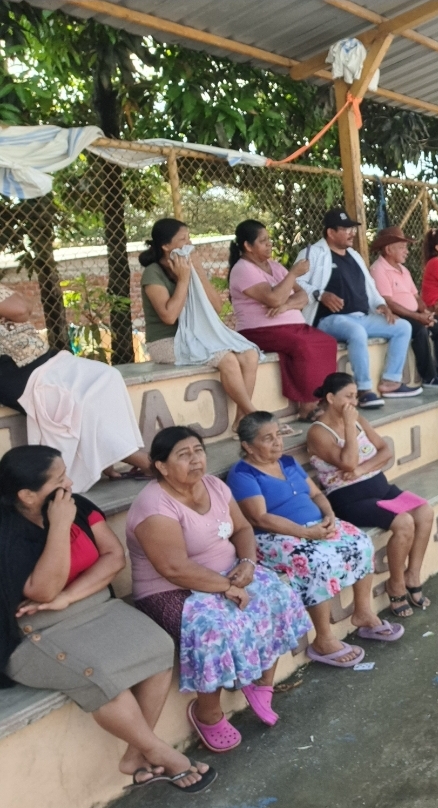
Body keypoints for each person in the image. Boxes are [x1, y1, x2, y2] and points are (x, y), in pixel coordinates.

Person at [0, 446, 216, 793]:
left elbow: (114, 557)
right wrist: (59, 526)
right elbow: (43, 591)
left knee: (160, 646)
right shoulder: (9, 531)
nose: (69, 484)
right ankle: (159, 751)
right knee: (102, 675)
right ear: (27, 495)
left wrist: (69, 596)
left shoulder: (77, 505)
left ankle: (134, 754)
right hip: (32, 631)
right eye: (59, 479)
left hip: (94, 605)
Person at [126, 427, 311, 753]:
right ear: (161, 466)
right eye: (183, 455)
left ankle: (261, 682)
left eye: (198, 450)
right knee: (215, 628)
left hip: (228, 573)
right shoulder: (154, 506)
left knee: (277, 596)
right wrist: (226, 587)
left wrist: (248, 563)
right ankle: (207, 713)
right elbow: (173, 568)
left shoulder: (214, 485)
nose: (195, 459)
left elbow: (242, 528)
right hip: (171, 590)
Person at [227, 412, 400, 664]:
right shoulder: (243, 474)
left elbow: (317, 494)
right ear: (248, 446)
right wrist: (306, 533)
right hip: (274, 537)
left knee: (360, 542)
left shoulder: (287, 462)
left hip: (315, 526)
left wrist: (329, 516)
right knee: (315, 562)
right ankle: (323, 639)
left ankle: (363, 612)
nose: (277, 442)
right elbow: (259, 518)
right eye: (267, 438)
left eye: (278, 435)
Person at [306, 373, 434, 619]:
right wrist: (349, 428)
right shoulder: (318, 432)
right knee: (404, 522)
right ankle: (396, 585)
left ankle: (412, 575)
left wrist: (362, 470)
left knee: (424, 511)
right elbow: (348, 462)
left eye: (355, 396)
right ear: (331, 398)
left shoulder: (358, 419)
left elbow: (385, 451)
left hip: (379, 487)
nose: (353, 402)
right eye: (348, 396)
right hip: (349, 498)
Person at [0, 285, 151, 491]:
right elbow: (19, 309)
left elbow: (25, 306)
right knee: (73, 400)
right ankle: (139, 459)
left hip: (44, 358)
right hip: (13, 371)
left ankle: (107, 456)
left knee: (107, 376)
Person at [140, 218, 261, 434]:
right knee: (227, 359)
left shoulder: (189, 266)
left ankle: (242, 420)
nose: (189, 244)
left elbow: (216, 307)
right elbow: (169, 316)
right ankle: (256, 419)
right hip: (166, 342)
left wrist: (197, 270)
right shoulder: (153, 272)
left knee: (249, 354)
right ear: (166, 246)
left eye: (189, 238)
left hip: (197, 337)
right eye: (183, 239)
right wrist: (183, 279)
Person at [295, 208, 421, 409]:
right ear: (331, 232)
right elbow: (295, 282)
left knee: (403, 326)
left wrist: (381, 304)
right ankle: (363, 390)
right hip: (328, 319)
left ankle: (391, 381)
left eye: (352, 229)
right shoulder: (313, 253)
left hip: (361, 317)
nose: (352, 233)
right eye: (346, 229)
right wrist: (320, 294)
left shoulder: (354, 256)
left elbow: (370, 288)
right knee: (356, 332)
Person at [228, 220, 340, 424]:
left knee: (327, 342)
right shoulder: (242, 269)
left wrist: (286, 306)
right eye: (263, 241)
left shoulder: (275, 266)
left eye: (269, 239)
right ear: (248, 246)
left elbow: (303, 296)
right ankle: (307, 406)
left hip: (292, 326)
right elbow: (273, 298)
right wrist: (293, 274)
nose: (269, 244)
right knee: (303, 345)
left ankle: (323, 399)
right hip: (258, 330)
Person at [368, 226, 438, 387]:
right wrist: (418, 317)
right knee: (420, 330)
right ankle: (430, 378)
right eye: (402, 247)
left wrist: (425, 312)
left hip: (415, 313)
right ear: (388, 249)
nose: (407, 251)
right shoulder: (378, 269)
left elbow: (416, 296)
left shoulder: (404, 269)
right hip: (395, 315)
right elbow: (388, 302)